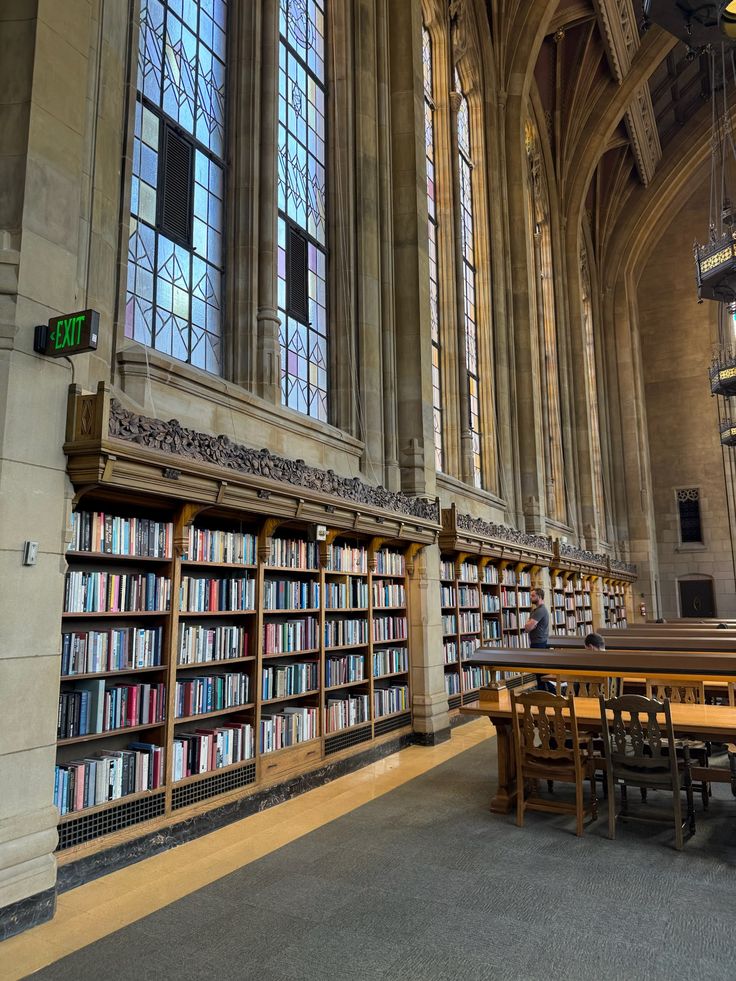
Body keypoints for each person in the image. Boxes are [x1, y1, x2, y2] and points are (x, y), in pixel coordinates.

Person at [525, 587, 551, 692]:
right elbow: (529, 626)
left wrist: (529, 624)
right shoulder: (536, 610)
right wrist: (530, 624)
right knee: (538, 672)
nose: (531, 598)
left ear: (539, 597)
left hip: (539, 644)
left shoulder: (540, 610)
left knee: (542, 672)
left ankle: (550, 692)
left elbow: (528, 627)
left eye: (533, 596)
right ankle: (542, 692)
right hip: (537, 643)